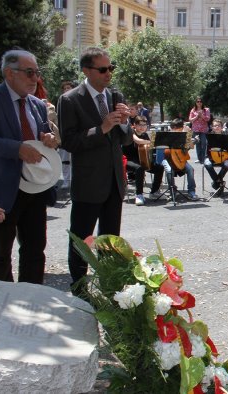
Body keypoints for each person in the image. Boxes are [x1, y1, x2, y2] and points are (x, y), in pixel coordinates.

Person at [58, 47, 134, 293]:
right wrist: (100, 128)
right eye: (103, 69)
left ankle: (110, 286)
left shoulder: (115, 95)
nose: (108, 73)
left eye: (111, 68)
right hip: (88, 182)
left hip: (114, 180)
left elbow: (126, 140)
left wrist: (124, 124)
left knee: (111, 240)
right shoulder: (70, 99)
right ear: (86, 70)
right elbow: (69, 142)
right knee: (81, 240)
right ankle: (79, 288)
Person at [0, 49, 60, 284]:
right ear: (10, 73)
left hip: (35, 188)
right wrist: (16, 148)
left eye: (37, 73)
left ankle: (32, 300)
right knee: (0, 252)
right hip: (3, 188)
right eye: (29, 73)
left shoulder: (37, 105)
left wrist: (49, 138)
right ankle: (5, 303)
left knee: (34, 250)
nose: (35, 79)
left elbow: (44, 136)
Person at [122, 115, 164, 205]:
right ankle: (139, 195)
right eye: (140, 125)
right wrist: (152, 142)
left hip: (142, 160)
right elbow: (138, 141)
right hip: (128, 160)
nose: (142, 127)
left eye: (144, 125)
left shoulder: (145, 135)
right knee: (139, 168)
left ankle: (154, 192)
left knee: (159, 167)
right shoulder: (131, 132)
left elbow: (148, 150)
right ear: (135, 125)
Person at [161, 118, 199, 201]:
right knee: (169, 170)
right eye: (173, 128)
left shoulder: (184, 135)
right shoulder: (167, 136)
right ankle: (172, 191)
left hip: (180, 159)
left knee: (190, 170)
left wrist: (188, 134)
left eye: (178, 129)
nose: (175, 130)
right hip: (168, 159)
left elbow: (190, 147)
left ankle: (191, 191)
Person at [203, 118, 228, 192]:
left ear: (222, 127)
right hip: (210, 157)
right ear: (212, 127)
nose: (217, 127)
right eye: (215, 126)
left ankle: (216, 183)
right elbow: (207, 151)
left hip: (224, 157)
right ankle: (220, 183)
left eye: (219, 125)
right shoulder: (209, 136)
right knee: (208, 164)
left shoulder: (226, 136)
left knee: (227, 165)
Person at [189, 97, 210, 163]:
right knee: (197, 143)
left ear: (202, 102)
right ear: (196, 103)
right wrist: (197, 116)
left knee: (204, 143)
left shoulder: (206, 110)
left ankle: (203, 158)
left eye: (200, 101)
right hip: (195, 129)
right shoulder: (193, 110)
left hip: (203, 130)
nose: (199, 103)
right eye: (198, 101)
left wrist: (202, 116)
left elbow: (208, 119)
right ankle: (199, 158)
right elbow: (190, 120)